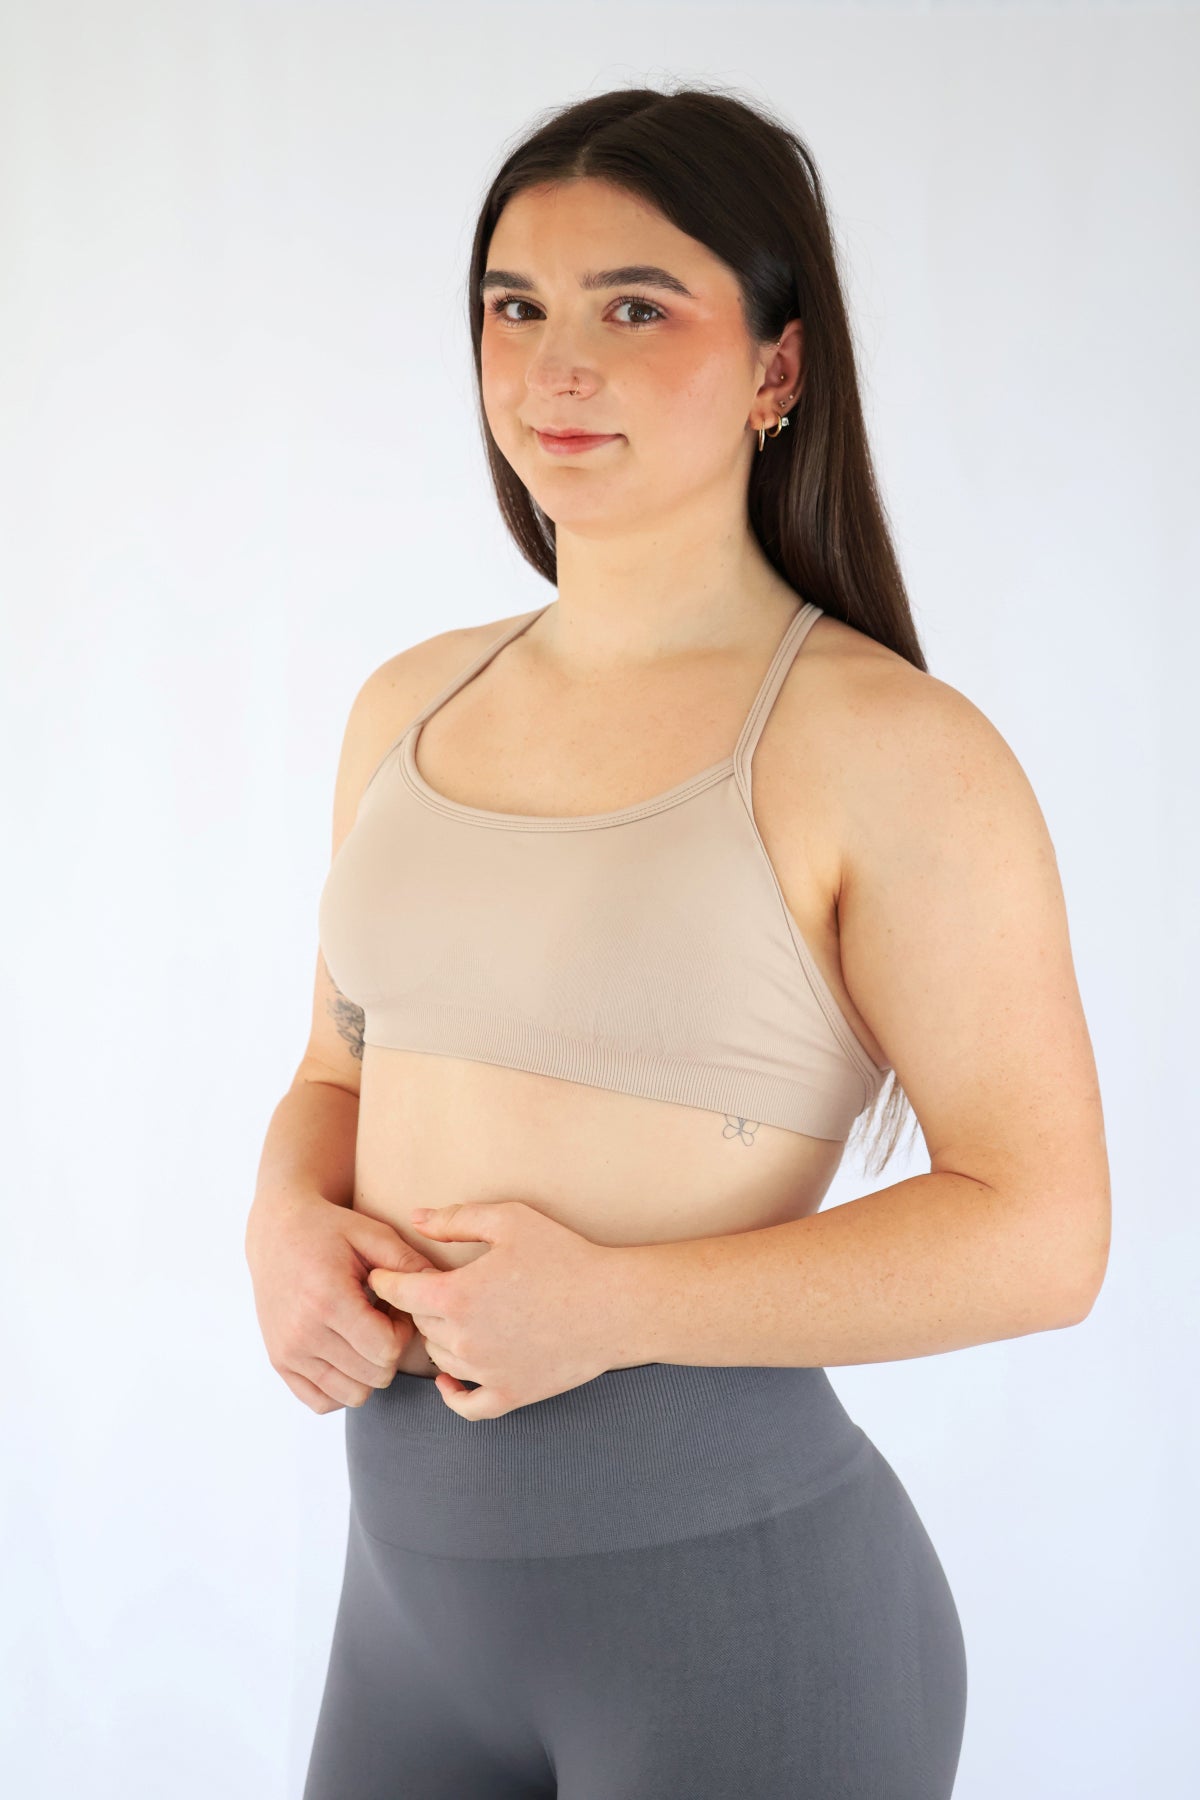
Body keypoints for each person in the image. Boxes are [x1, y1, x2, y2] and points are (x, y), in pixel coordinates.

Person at [246, 84, 1110, 1799]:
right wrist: (282, 1218)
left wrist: (613, 1306)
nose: (556, 367)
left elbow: (1045, 1234)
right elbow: (339, 1067)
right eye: (516, 308)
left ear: (779, 370)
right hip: (406, 1621)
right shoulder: (408, 706)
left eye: (636, 309)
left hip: (741, 1631)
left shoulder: (890, 751)